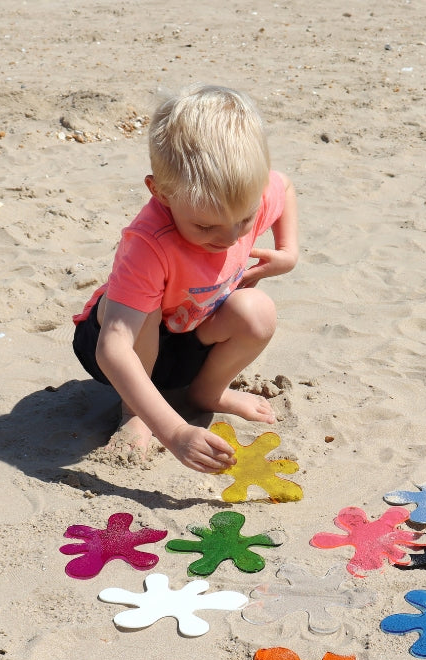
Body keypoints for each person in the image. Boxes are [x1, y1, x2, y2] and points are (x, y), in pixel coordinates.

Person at [72, 84, 299, 473]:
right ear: (160, 192)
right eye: (206, 225)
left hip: (190, 340)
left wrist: (288, 252)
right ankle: (136, 414)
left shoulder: (248, 195)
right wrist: (174, 431)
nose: (229, 238)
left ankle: (207, 392)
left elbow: (286, 188)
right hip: (121, 352)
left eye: (243, 221)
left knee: (257, 310)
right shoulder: (149, 244)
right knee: (144, 309)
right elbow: (113, 349)